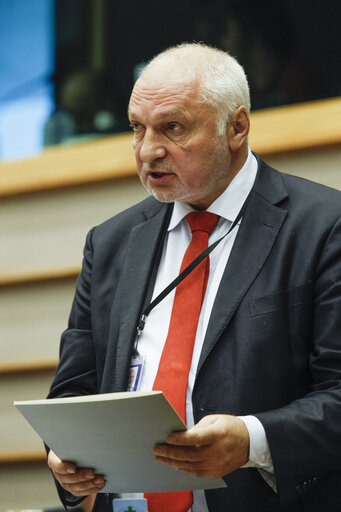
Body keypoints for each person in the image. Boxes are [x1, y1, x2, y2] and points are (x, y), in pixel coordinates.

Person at [47, 43, 341, 512]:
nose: (147, 150)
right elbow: (73, 392)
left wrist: (251, 440)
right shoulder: (110, 243)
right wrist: (63, 458)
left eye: (173, 128)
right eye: (137, 129)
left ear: (237, 127)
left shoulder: (325, 227)